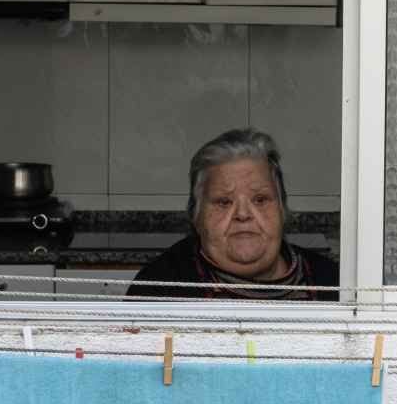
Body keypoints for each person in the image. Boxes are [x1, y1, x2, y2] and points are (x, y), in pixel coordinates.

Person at [127, 129, 340, 301]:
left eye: (260, 200)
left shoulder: (330, 282)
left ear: (282, 210)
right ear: (197, 216)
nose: (243, 214)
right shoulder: (160, 289)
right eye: (224, 202)